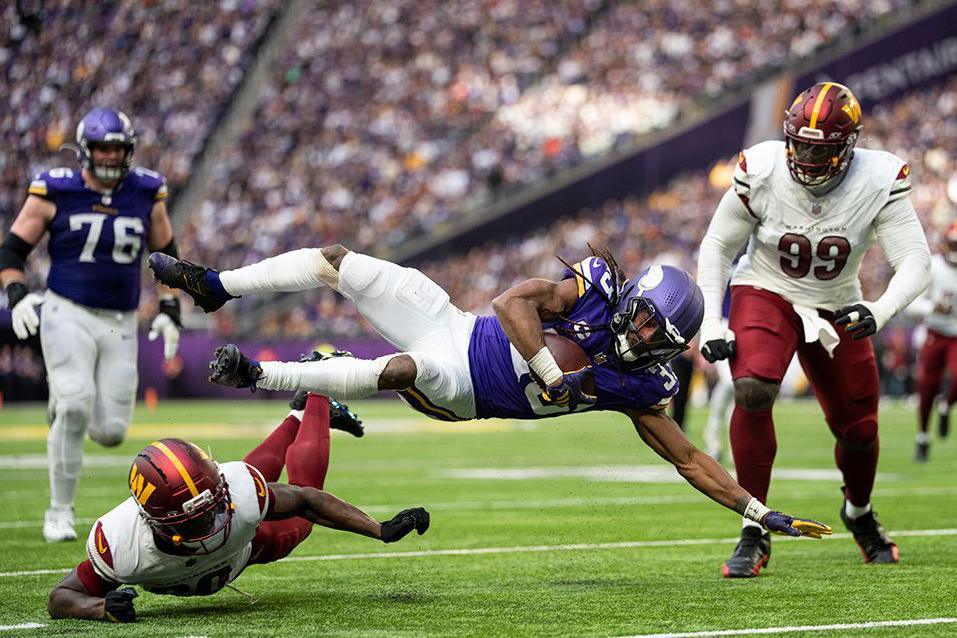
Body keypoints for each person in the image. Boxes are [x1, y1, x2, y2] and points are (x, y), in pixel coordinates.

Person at [149, 244, 831, 549]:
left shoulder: (641, 385)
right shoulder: (591, 289)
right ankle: (216, 285)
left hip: (465, 391)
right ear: (632, 300)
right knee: (338, 262)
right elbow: (510, 304)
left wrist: (755, 510)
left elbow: (687, 459)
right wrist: (547, 367)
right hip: (458, 324)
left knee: (402, 370)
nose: (644, 333)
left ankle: (262, 376)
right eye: (645, 317)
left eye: (659, 333)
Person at [696, 81, 931, 577]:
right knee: (753, 389)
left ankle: (859, 512)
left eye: (818, 148)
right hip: (766, 290)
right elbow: (718, 245)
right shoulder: (760, 168)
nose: (804, 155)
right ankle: (754, 528)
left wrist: (880, 309)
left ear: (848, 148)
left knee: (861, 432)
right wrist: (714, 321)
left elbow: (914, 261)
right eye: (798, 143)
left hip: (837, 303)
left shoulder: (879, 176)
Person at [47, 394, 429, 623]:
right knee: (252, 496)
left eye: (214, 504)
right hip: (237, 551)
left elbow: (308, 500)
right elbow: (61, 597)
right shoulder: (122, 545)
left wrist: (378, 529)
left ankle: (317, 392)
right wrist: (100, 608)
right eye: (196, 518)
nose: (215, 519)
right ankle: (300, 412)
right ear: (156, 522)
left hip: (247, 548)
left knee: (280, 509)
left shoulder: (235, 493)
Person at [0, 107, 183, 543]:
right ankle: (59, 511)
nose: (109, 156)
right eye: (102, 147)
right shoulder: (54, 190)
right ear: (85, 149)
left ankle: (60, 408)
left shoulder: (146, 191)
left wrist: (170, 309)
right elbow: (10, 251)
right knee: (78, 401)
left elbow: (168, 257)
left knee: (112, 432)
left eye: (117, 148)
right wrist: (17, 294)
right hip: (67, 311)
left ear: (129, 151)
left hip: (120, 322)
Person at [908, 222, 957, 461]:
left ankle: (946, 405)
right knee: (927, 386)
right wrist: (932, 307)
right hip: (935, 332)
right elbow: (910, 303)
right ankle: (923, 436)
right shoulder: (933, 267)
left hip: (956, 335)